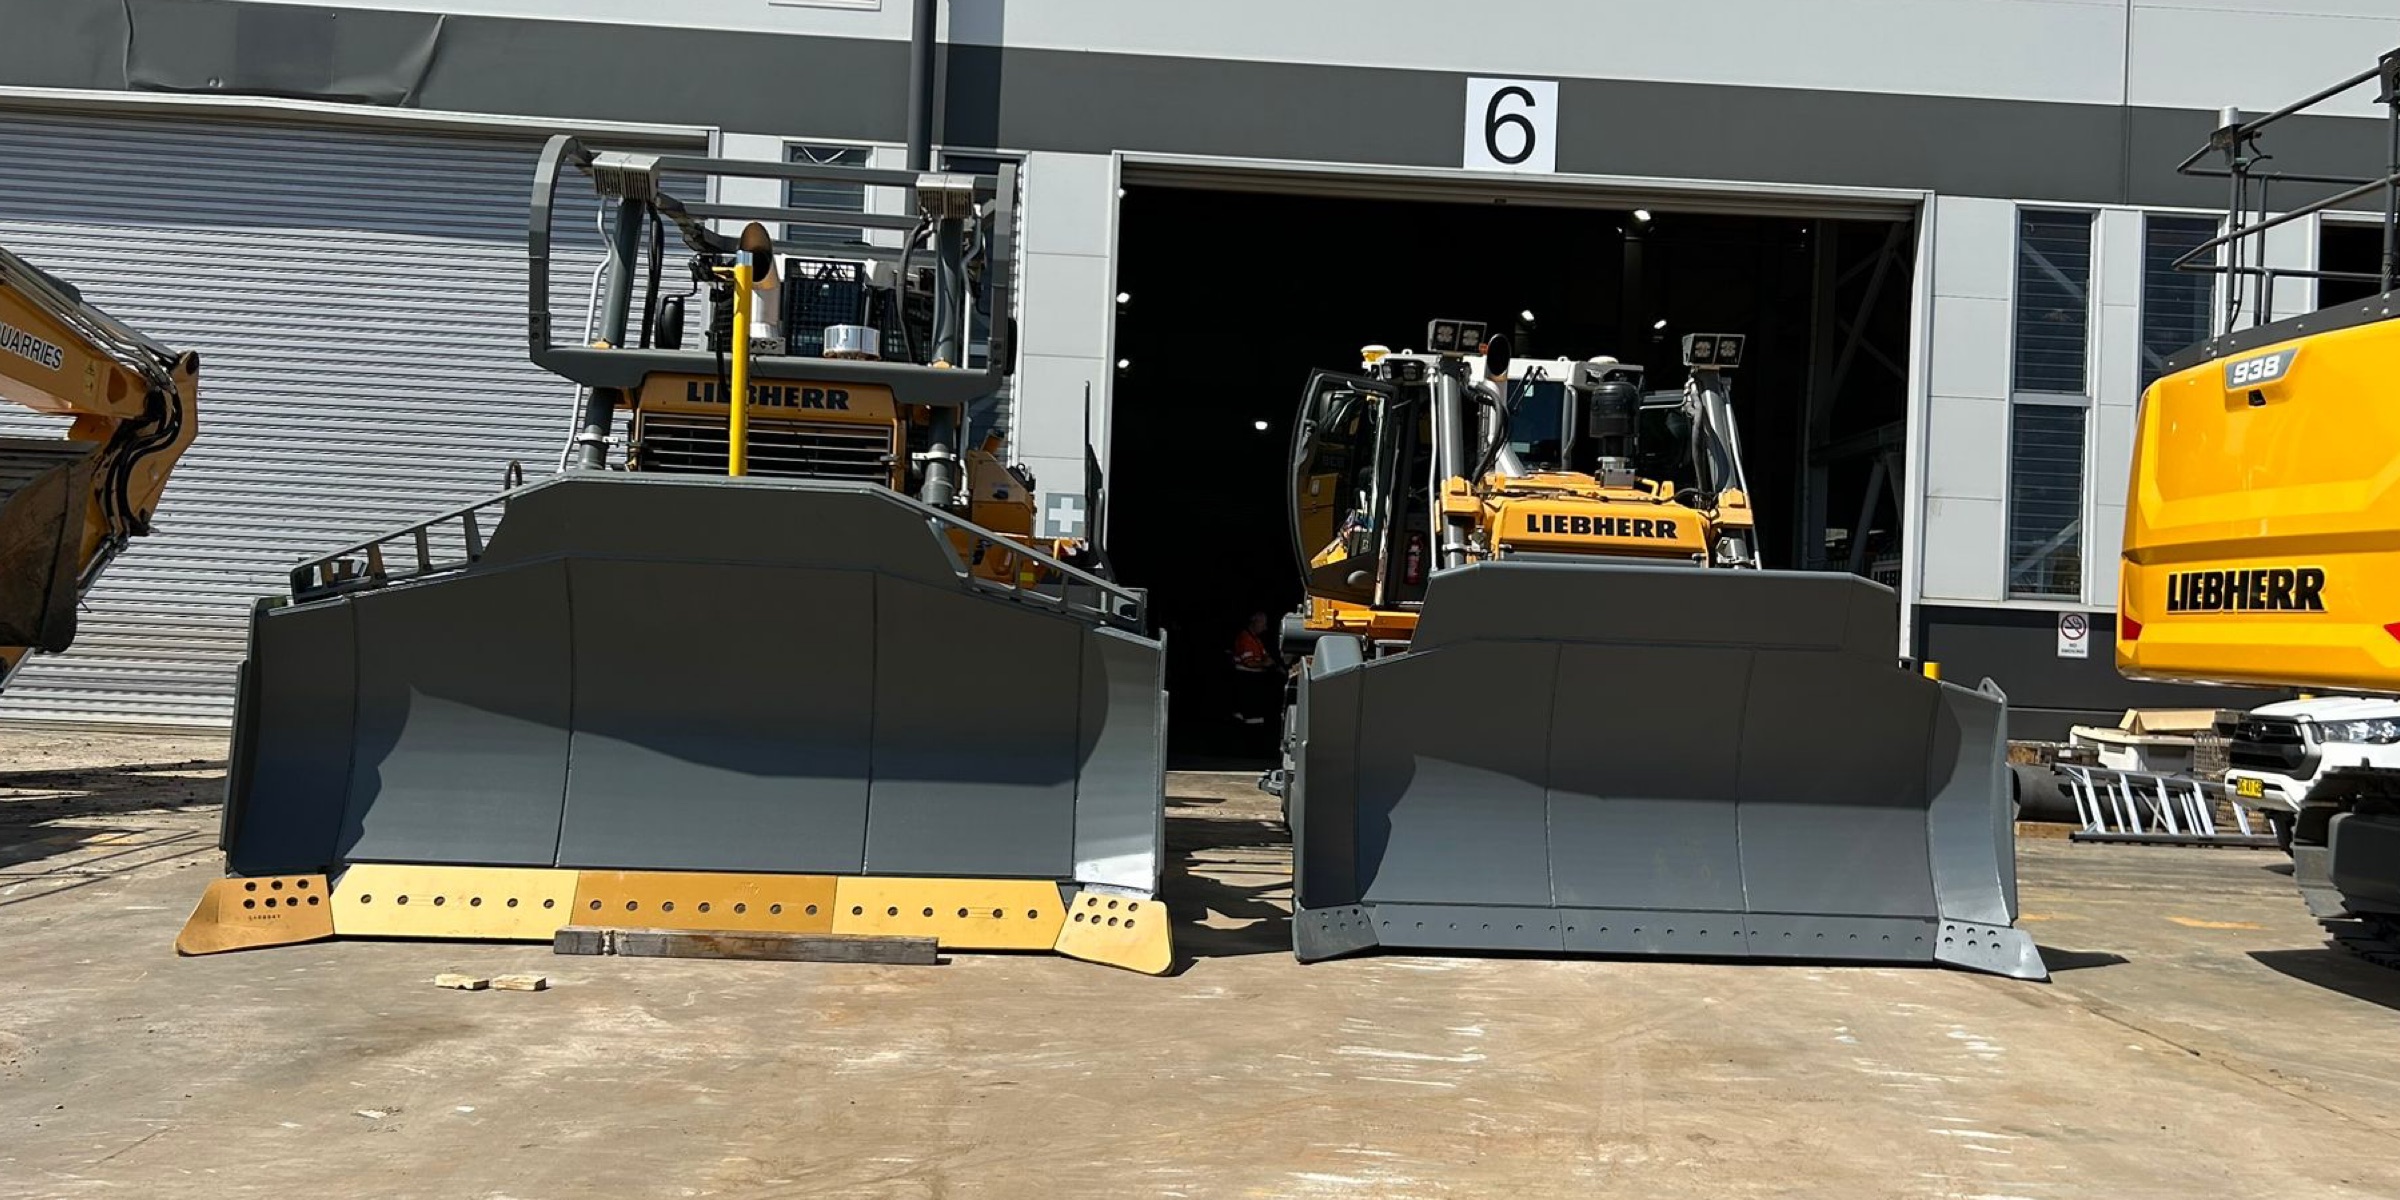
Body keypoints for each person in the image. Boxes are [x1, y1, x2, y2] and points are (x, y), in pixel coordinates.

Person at [1230, 611, 1282, 726]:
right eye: (1263, 624)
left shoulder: (1256, 639)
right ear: (1255, 622)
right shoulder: (1245, 638)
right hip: (1246, 678)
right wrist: (1265, 664)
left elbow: (1265, 655)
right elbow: (1249, 663)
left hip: (1254, 677)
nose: (1265, 627)